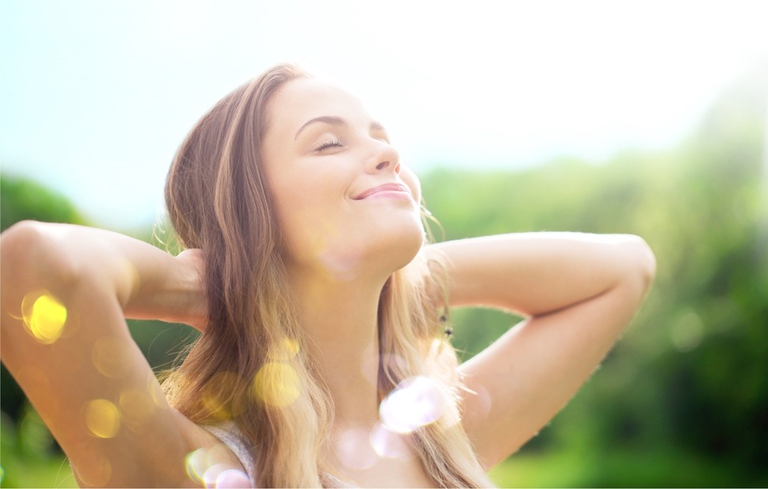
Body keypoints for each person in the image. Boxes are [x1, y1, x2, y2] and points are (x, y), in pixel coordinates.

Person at [0, 64, 656, 488]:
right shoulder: (209, 470)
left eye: (381, 137)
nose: (388, 153)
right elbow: (35, 267)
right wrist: (220, 281)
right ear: (252, 219)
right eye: (329, 142)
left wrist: (395, 278)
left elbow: (625, 267)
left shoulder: (440, 438)